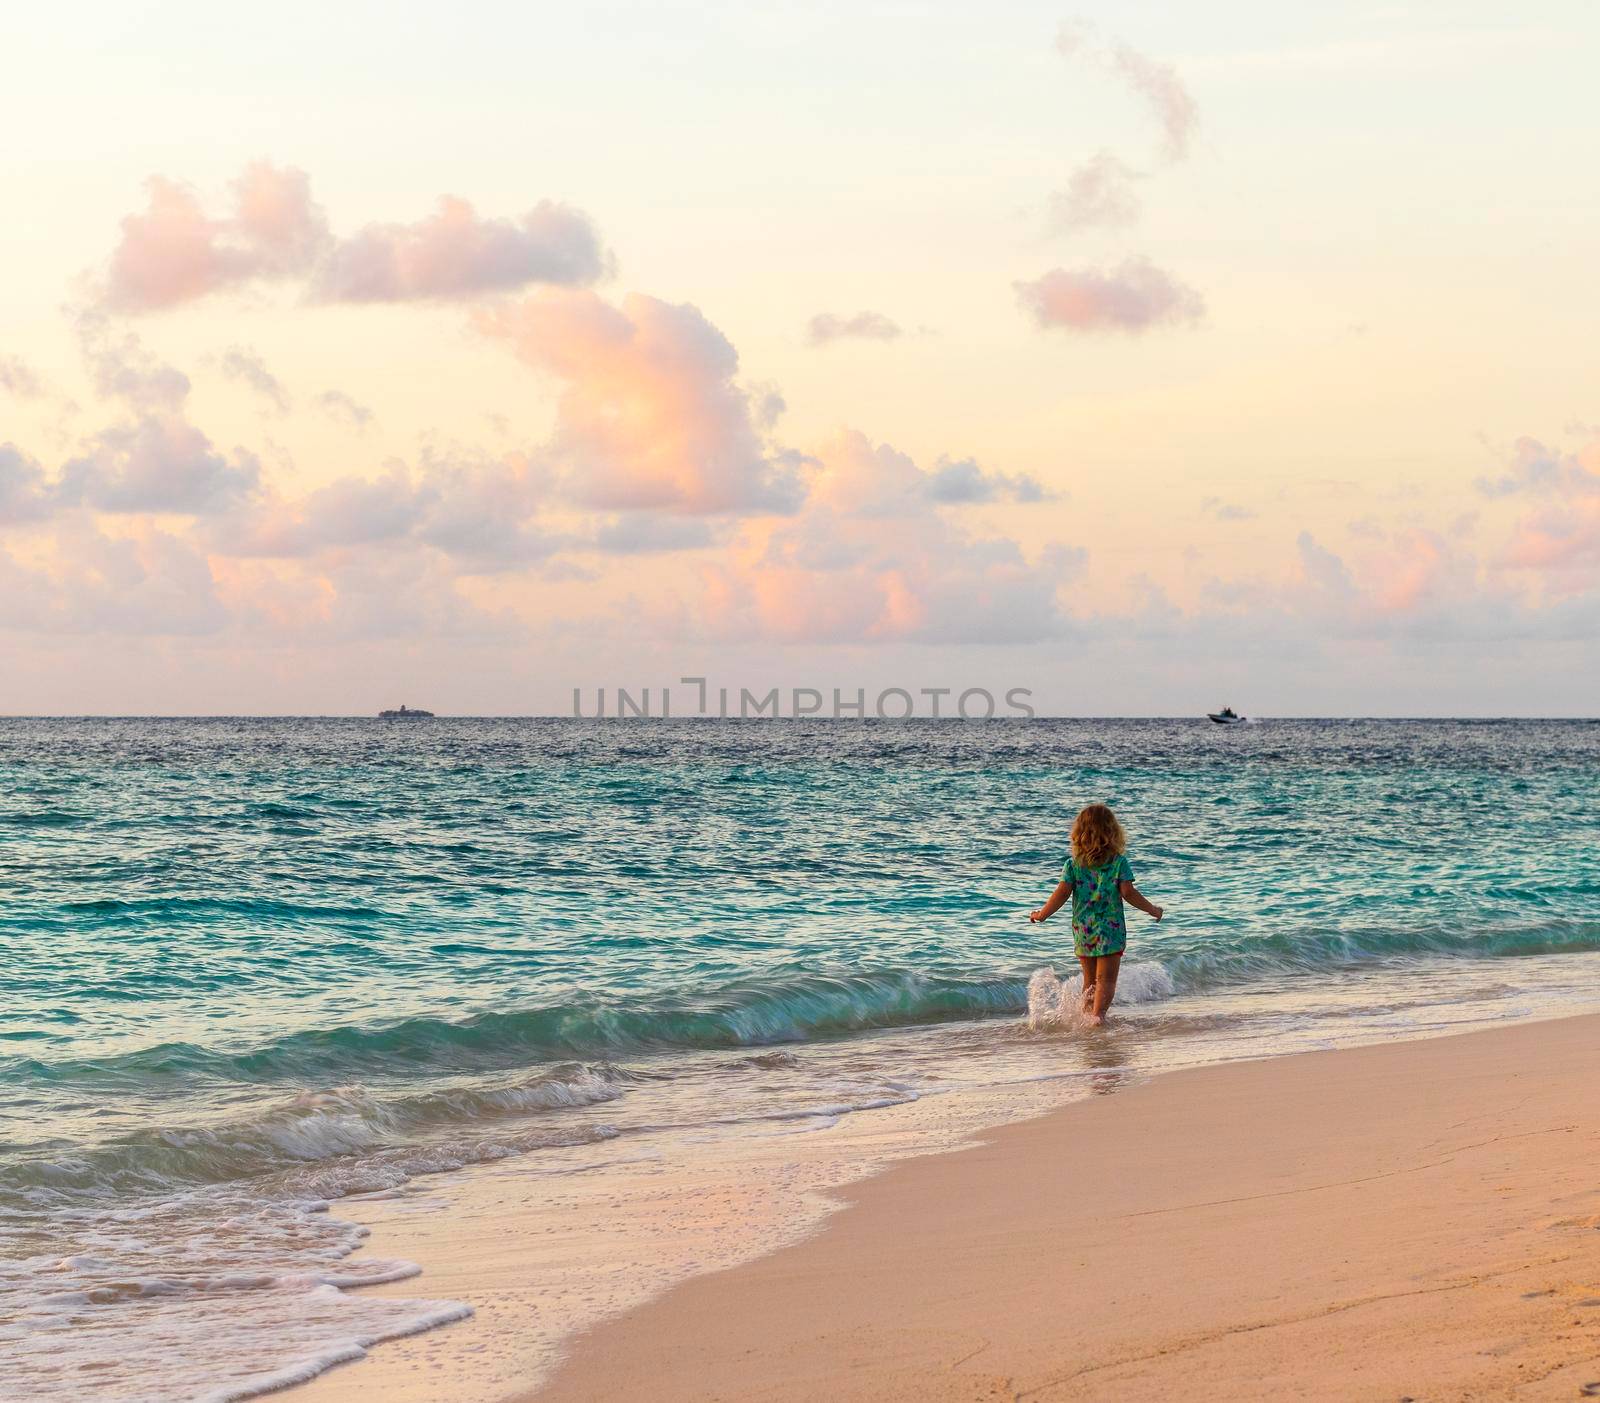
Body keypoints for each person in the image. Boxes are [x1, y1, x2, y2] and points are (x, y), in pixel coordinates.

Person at [1029, 802, 1163, 1025]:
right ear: (1112, 833)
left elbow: (1061, 894)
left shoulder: (1073, 865)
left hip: (1084, 929)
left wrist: (1042, 914)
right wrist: (1152, 909)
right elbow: (1128, 892)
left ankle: (1087, 1016)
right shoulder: (1119, 863)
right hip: (1111, 930)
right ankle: (1098, 1016)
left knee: (1090, 980)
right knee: (1107, 979)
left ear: (1079, 834)